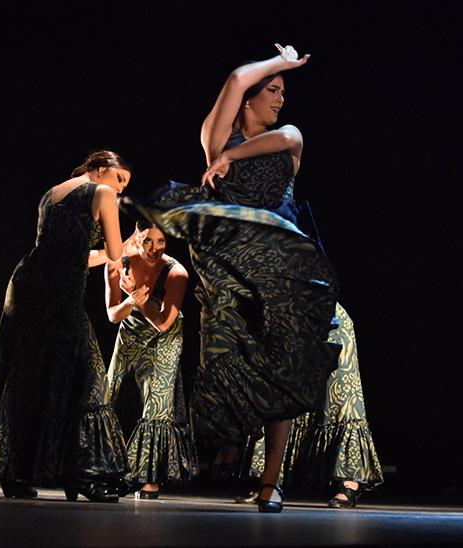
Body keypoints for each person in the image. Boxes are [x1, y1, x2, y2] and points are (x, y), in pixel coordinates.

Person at [122, 44, 340, 512]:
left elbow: (285, 140)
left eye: (283, 91)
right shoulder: (216, 139)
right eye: (273, 91)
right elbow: (238, 77)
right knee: (227, 359)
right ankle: (232, 438)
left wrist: (230, 162)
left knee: (285, 364)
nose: (280, 99)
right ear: (248, 101)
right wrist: (281, 63)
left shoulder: (288, 136)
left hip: (282, 265)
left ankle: (271, 480)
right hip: (233, 271)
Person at [0, 151, 143, 503]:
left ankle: (18, 474)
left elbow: (72, 253)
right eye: (120, 180)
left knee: (26, 375)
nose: (119, 191)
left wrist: (115, 251)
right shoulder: (101, 193)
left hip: (26, 285)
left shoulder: (52, 192)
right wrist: (128, 247)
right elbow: (113, 251)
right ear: (102, 170)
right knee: (88, 373)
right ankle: (85, 475)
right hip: (59, 292)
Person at [239, 303, 384, 509]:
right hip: (288, 322)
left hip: (328, 321)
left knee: (340, 396)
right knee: (285, 397)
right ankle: (269, 483)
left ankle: (350, 481)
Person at [103, 221, 198, 499]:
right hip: (131, 327)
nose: (154, 248)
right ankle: (110, 466)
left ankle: (148, 476)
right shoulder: (117, 263)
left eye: (161, 241)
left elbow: (165, 323)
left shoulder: (176, 272)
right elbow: (112, 315)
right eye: (147, 241)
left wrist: (141, 302)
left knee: (156, 399)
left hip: (165, 335)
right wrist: (131, 301)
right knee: (113, 391)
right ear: (136, 235)